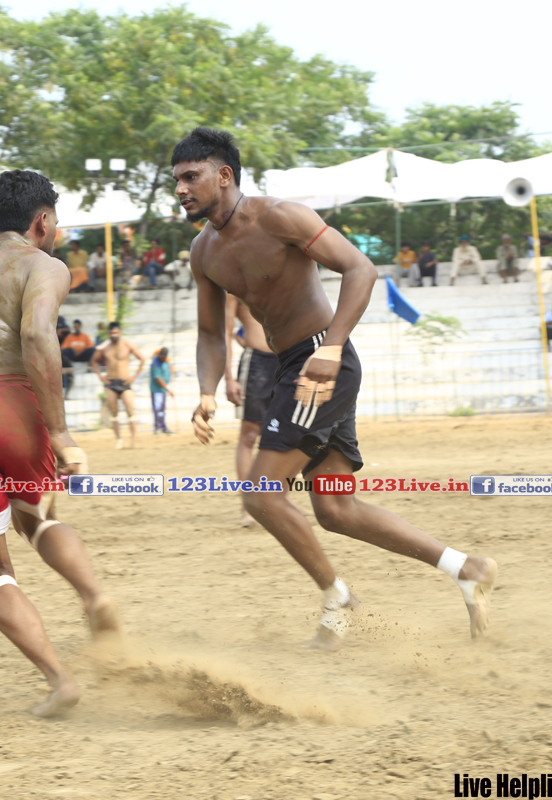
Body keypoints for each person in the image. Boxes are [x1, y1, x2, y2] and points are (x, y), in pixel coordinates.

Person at [174, 126, 497, 649]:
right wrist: (207, 391)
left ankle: (337, 598)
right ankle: (467, 569)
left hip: (321, 361)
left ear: (224, 175)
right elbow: (211, 334)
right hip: (292, 368)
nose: (182, 189)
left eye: (192, 177)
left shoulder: (281, 216)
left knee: (260, 494)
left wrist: (332, 346)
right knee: (335, 509)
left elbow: (360, 269)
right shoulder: (202, 251)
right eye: (177, 180)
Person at [0, 169, 119, 716]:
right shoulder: (43, 264)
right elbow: (35, 333)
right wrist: (59, 431)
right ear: (42, 220)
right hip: (15, 401)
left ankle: (60, 681)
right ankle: (94, 596)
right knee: (37, 517)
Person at [224, 294, 280, 526]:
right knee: (249, 435)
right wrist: (229, 378)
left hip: (288, 360)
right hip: (257, 362)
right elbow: (225, 331)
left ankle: (281, 500)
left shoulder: (281, 277)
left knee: (285, 437)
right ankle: (248, 506)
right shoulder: (234, 287)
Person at [90, 321, 145, 449]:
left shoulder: (128, 345)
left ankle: (133, 441)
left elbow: (142, 358)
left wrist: (134, 376)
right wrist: (100, 376)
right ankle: (119, 441)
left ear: (120, 332)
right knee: (114, 413)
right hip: (111, 383)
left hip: (125, 382)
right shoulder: (104, 347)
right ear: (108, 333)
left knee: (130, 411)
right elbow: (93, 361)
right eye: (111, 333)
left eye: (115, 332)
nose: (113, 335)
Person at [60, 320, 95, 397]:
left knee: (92, 350)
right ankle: (66, 366)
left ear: (80, 327)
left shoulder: (85, 336)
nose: (76, 327)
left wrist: (82, 349)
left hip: (83, 355)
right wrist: (71, 348)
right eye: (75, 326)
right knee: (63, 351)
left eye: (78, 326)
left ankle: (90, 367)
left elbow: (90, 346)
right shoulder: (70, 336)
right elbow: (64, 347)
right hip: (72, 355)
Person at [149, 347, 174, 434]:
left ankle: (163, 427)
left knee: (162, 409)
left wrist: (171, 369)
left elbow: (169, 367)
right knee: (158, 409)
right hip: (157, 390)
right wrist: (168, 389)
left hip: (162, 390)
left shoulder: (165, 360)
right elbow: (158, 379)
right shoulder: (155, 364)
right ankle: (158, 427)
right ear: (159, 355)